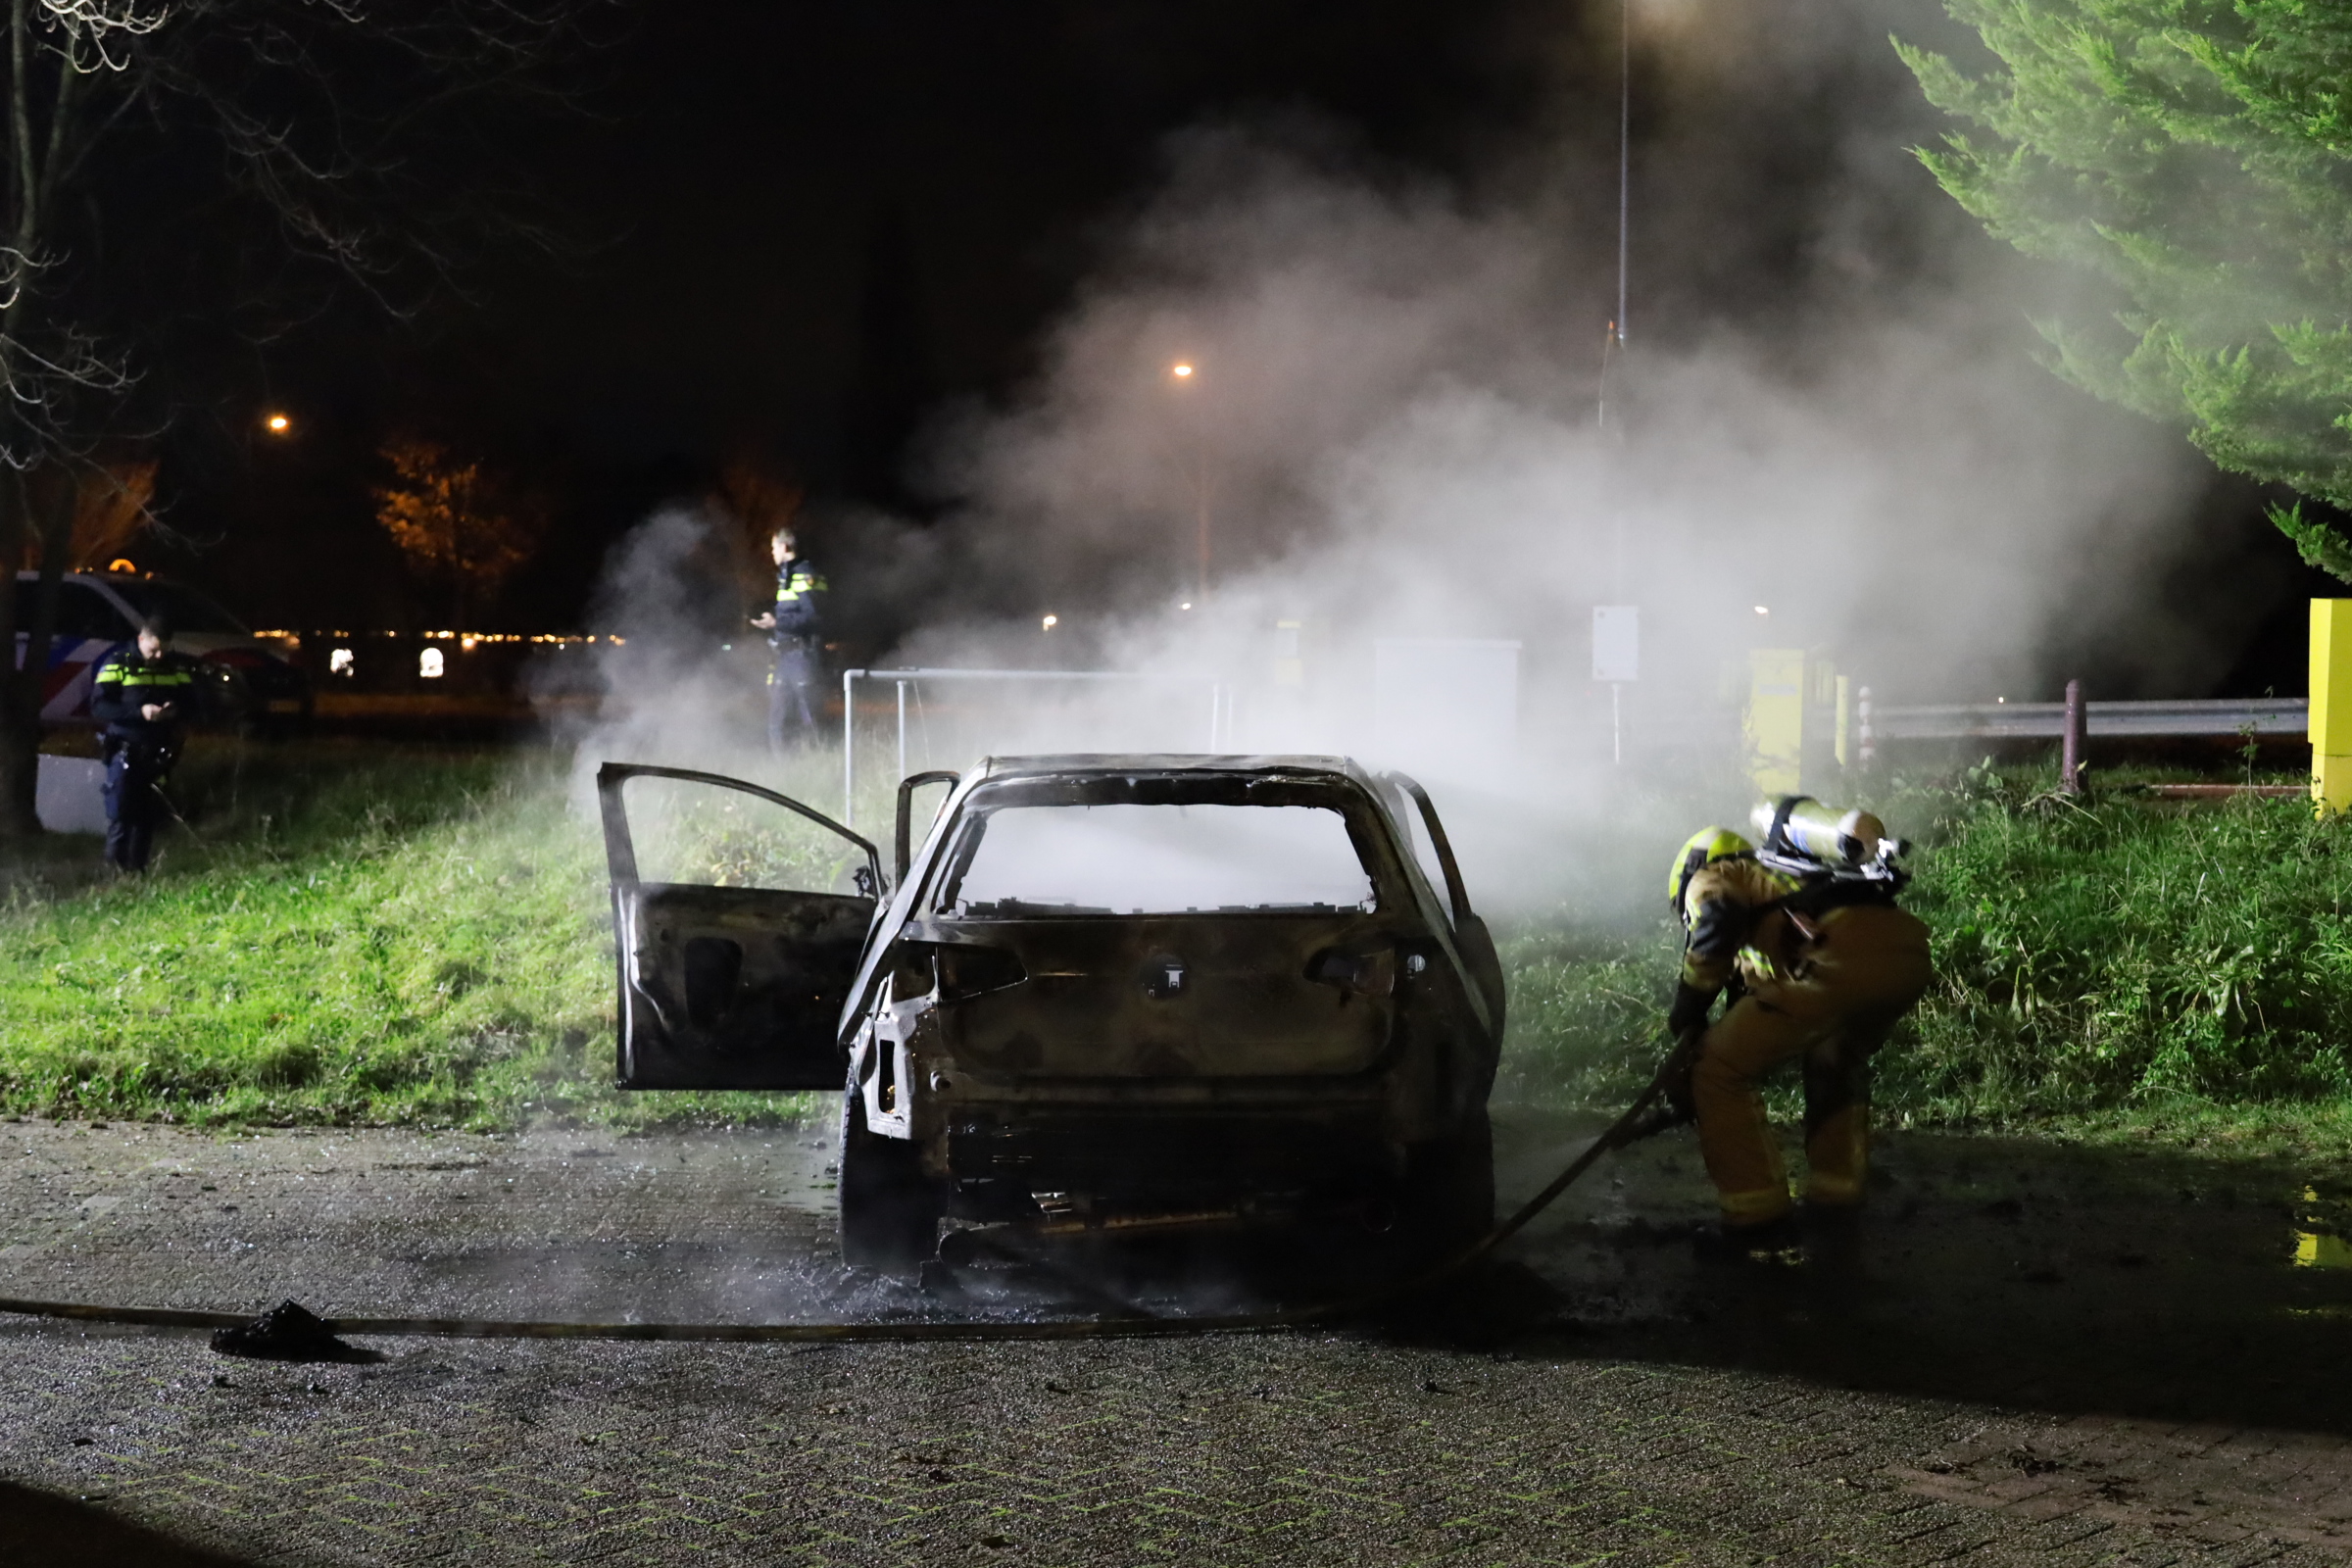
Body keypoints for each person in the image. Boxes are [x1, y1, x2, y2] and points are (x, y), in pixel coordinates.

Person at [1662, 802, 1933, 1252]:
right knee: (1833, 1057)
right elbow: (1758, 1001)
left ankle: (1756, 1218)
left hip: (1838, 958)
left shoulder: (1717, 875)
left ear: (1690, 869)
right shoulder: (1790, 876)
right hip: (1906, 956)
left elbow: (1716, 923)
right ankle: (1836, 1197)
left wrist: (1689, 1007)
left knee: (1716, 1069)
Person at [88, 616, 198, 872]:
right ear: (141, 640)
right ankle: (114, 876)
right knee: (121, 815)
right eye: (153, 649)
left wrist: (175, 709)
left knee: (146, 818)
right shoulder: (118, 663)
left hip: (158, 754)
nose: (158, 655)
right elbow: (99, 706)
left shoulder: (174, 668)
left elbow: (193, 702)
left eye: (164, 649)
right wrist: (140, 712)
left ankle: (138, 874)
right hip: (126, 752)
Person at [749, 525, 827, 754]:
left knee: (808, 718)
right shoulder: (786, 575)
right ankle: (780, 770)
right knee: (777, 720)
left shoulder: (805, 574)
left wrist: (776, 623)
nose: (771, 552)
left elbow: (812, 618)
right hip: (785, 656)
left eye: (773, 547)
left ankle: (816, 763)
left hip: (802, 656)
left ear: (784, 547)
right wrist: (772, 625)